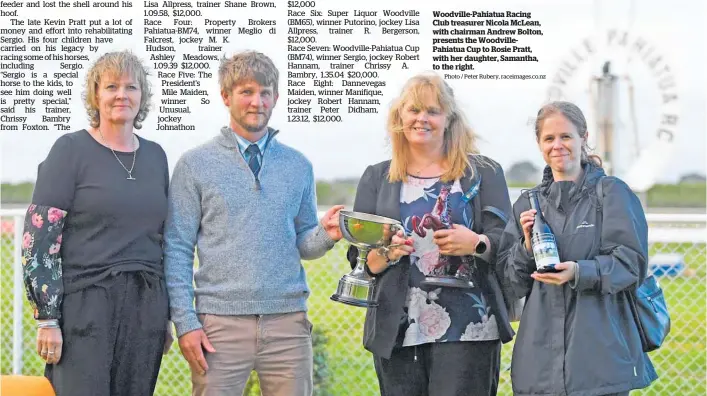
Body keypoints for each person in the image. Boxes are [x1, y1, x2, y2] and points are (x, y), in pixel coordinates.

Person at [163, 50, 344, 396]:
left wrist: (326, 234)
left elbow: (305, 243)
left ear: (276, 96)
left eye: (265, 92)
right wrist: (186, 323)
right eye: (246, 92)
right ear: (226, 97)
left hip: (288, 324)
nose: (256, 101)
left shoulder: (299, 166)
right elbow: (177, 249)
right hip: (218, 326)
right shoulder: (194, 165)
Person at [346, 73, 514, 396]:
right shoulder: (376, 178)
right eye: (414, 110)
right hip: (397, 331)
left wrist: (475, 243)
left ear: (449, 118)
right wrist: (386, 252)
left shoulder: (485, 172)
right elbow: (361, 260)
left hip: (470, 330)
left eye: (432, 111)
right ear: (400, 117)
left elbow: (506, 242)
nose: (422, 118)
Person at [21, 50, 172, 396]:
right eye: (111, 86)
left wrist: (163, 316)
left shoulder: (156, 157)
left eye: (131, 87)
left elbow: (162, 240)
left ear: (142, 96)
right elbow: (39, 239)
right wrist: (47, 318)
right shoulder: (70, 150)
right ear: (95, 95)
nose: (122, 95)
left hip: (144, 306)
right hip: (85, 306)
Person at [496, 101, 657, 396]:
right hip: (538, 365)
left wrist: (579, 272)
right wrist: (526, 247)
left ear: (583, 138)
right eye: (549, 138)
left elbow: (631, 264)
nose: (558, 145)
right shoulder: (527, 204)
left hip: (600, 361)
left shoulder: (612, 194)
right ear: (539, 144)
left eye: (566, 136)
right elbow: (511, 283)